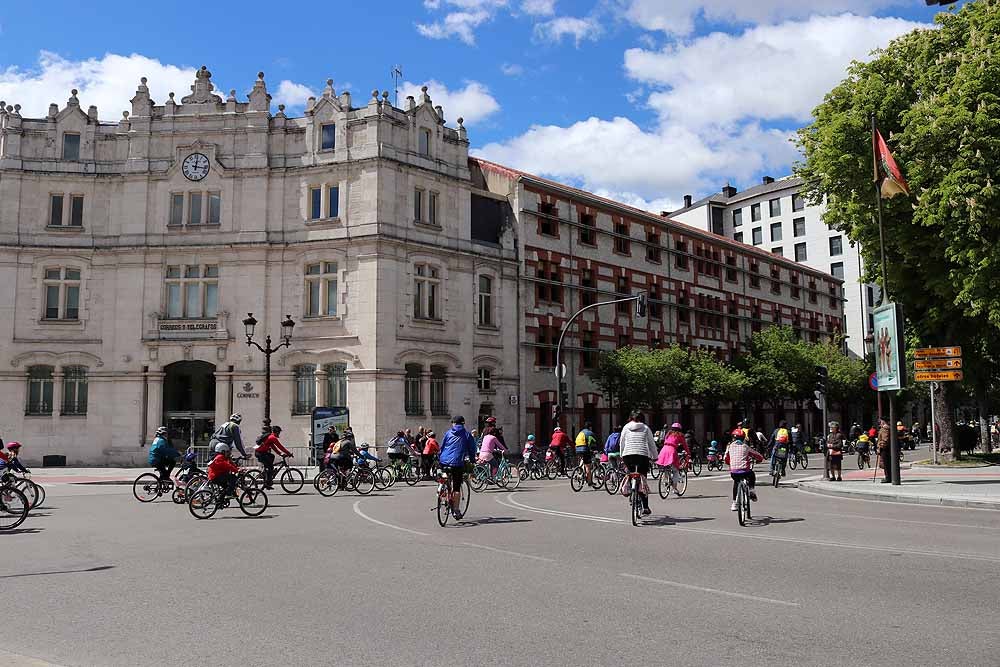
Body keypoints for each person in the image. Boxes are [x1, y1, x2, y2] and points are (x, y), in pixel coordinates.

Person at [619, 412, 658, 516]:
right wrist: (655, 457)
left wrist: (622, 455)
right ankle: (645, 507)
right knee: (643, 479)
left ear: (630, 418)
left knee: (631, 474)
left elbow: (622, 442)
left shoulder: (626, 427)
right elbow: (651, 444)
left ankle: (631, 490)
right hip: (642, 456)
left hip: (628, 455)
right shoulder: (645, 428)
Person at [439, 415, 478, 519]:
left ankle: (441, 489)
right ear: (463, 423)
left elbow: (442, 447)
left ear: (454, 423)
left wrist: (440, 458)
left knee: (445, 476)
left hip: (443, 461)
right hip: (457, 463)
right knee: (456, 487)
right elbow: (472, 449)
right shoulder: (467, 434)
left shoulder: (448, 433)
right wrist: (473, 461)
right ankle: (456, 510)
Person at [725, 428, 764, 511]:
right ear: (743, 438)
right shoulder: (745, 447)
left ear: (733, 438)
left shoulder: (729, 447)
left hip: (734, 471)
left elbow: (726, 458)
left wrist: (729, 463)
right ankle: (751, 490)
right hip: (745, 471)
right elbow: (758, 455)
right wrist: (759, 459)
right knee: (752, 475)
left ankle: (734, 503)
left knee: (736, 482)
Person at [655, 423, 691, 496]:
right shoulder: (680, 435)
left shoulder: (668, 434)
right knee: (675, 470)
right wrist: (688, 453)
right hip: (672, 450)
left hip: (664, 450)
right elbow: (685, 445)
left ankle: (665, 479)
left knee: (665, 466)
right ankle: (674, 488)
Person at [255, 425, 292, 490]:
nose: (279, 434)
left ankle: (267, 474)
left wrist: (280, 454)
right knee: (270, 467)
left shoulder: (270, 437)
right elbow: (280, 446)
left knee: (272, 456)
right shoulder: (273, 438)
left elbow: (274, 447)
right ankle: (268, 483)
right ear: (277, 432)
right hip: (260, 453)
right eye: (279, 432)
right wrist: (288, 453)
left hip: (261, 453)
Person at [877, 419, 892, 483]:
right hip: (888, 448)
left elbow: (884, 439)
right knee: (887, 463)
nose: (879, 423)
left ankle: (888, 477)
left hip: (885, 449)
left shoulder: (884, 429)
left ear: (883, 422)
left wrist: (880, 447)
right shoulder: (888, 428)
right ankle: (889, 477)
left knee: (886, 464)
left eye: (880, 422)